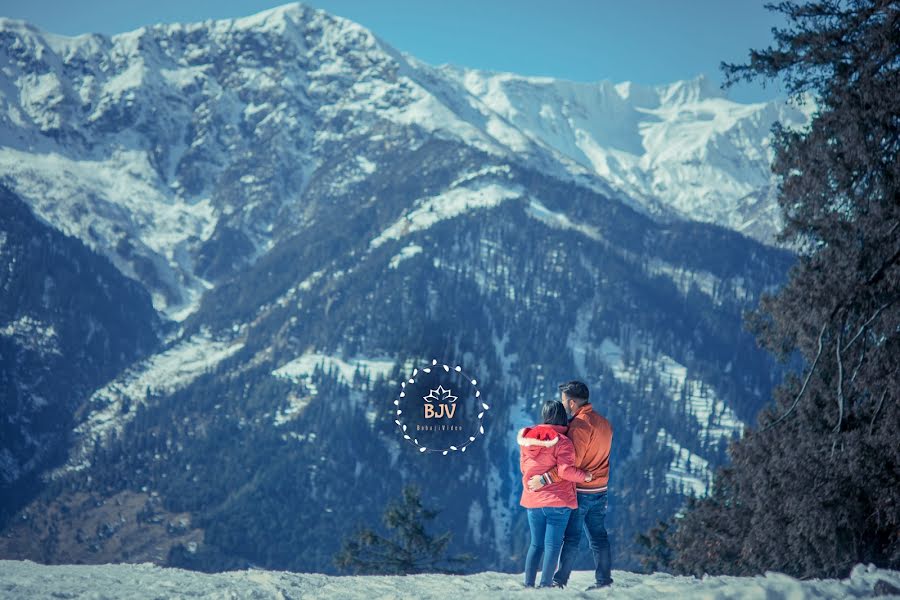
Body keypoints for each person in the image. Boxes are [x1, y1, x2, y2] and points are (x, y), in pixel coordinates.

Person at [527, 380, 614, 590]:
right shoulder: (604, 423)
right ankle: (604, 580)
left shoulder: (579, 426)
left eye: (565, 401)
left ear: (573, 403)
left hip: (582, 490)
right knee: (599, 537)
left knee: (572, 538)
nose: (563, 405)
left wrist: (544, 479)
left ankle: (559, 580)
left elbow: (569, 466)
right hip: (600, 489)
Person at [517, 400, 593, 588]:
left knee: (536, 545)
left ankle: (528, 585)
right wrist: (586, 476)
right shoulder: (563, 442)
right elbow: (566, 471)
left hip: (533, 501)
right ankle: (545, 587)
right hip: (558, 502)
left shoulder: (527, 441)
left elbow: (524, 468)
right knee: (552, 547)